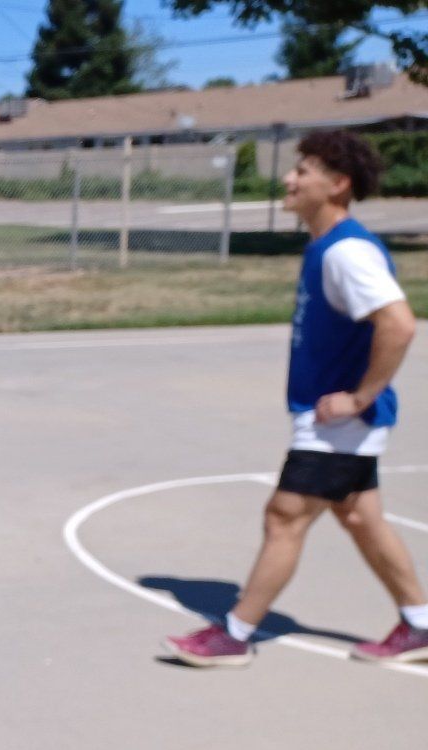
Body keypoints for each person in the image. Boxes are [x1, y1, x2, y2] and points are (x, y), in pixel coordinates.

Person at [166, 130, 428, 667]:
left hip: (338, 420)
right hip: (334, 416)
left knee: (284, 516)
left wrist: (360, 397)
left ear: (337, 185)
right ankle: (420, 624)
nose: (289, 178)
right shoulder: (325, 246)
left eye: (303, 170)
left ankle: (235, 635)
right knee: (359, 518)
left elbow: (399, 325)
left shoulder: (348, 252)